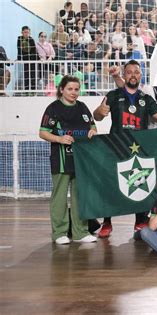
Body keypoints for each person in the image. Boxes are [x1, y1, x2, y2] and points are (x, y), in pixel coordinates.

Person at [93, 59, 157, 239]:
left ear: (141, 75)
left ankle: (140, 221)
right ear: (124, 75)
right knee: (112, 183)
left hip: (138, 148)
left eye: (136, 72)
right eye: (129, 72)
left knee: (140, 182)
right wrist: (100, 111)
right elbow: (98, 116)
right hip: (116, 146)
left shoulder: (146, 98)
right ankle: (107, 222)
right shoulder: (113, 95)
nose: (133, 75)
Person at [39, 75, 97, 245]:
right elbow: (42, 132)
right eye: (70, 89)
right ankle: (59, 233)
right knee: (60, 197)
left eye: (76, 89)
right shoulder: (53, 108)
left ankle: (80, 232)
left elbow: (92, 126)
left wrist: (93, 132)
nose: (73, 92)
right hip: (61, 159)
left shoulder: (83, 107)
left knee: (80, 196)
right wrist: (60, 139)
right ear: (62, 89)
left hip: (81, 160)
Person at [17, 26, 38, 92]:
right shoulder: (19, 39)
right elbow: (19, 49)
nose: (27, 34)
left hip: (32, 60)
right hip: (25, 59)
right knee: (26, 75)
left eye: (28, 32)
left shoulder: (31, 39)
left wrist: (32, 60)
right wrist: (19, 59)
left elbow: (34, 51)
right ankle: (26, 90)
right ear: (22, 32)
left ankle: (33, 90)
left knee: (32, 75)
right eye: (25, 32)